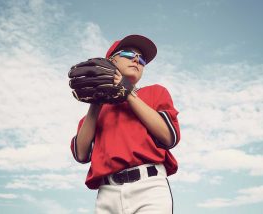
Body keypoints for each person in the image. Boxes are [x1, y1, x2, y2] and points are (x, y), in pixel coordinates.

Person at [70, 34, 181, 214]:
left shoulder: (155, 92)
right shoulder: (98, 110)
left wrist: (127, 92)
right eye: (129, 55)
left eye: (142, 60)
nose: (137, 60)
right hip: (108, 193)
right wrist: (96, 103)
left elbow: (169, 137)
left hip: (149, 187)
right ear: (110, 61)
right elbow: (81, 154)